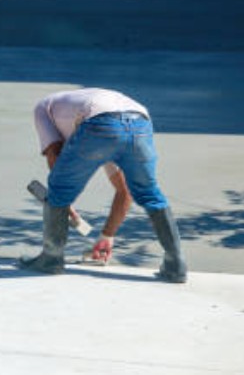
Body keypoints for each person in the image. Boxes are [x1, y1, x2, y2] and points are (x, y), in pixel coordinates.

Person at [20, 87, 187, 283]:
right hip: (140, 122)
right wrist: (107, 236)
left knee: (59, 189)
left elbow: (54, 154)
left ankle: (51, 258)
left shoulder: (43, 108)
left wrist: (63, 202)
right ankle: (176, 265)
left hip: (99, 123)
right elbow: (125, 192)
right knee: (149, 194)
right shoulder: (89, 125)